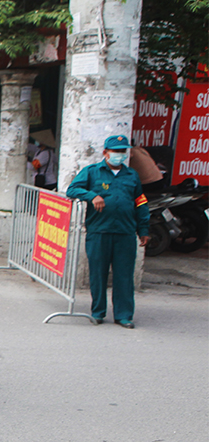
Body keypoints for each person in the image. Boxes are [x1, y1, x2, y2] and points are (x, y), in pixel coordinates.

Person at [66, 135, 150, 328]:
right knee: (98, 274)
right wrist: (92, 195)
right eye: (116, 151)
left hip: (125, 232)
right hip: (99, 232)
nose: (120, 155)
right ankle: (98, 312)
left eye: (123, 151)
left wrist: (143, 228)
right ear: (105, 153)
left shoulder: (132, 176)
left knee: (124, 276)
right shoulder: (92, 172)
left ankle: (124, 315)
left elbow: (141, 202)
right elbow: (72, 190)